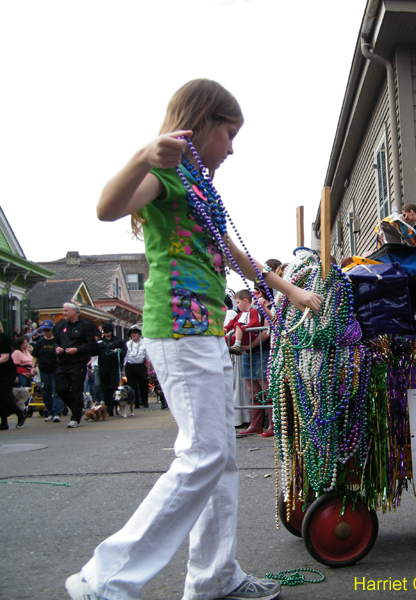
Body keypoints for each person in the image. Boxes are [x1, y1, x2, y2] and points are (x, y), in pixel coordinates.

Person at [66, 78, 322, 600]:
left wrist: (289, 288)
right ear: (201, 122)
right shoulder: (164, 173)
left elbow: (233, 253)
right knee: (204, 453)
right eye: (228, 133)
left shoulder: (201, 186)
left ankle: (215, 578)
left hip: (202, 329)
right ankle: (105, 580)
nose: (232, 148)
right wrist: (142, 155)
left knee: (219, 457)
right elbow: (105, 208)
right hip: (177, 329)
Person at [227, 289, 273, 437]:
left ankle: (272, 424)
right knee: (251, 388)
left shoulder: (260, 309)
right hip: (248, 353)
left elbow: (266, 332)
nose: (257, 294)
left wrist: (249, 345)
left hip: (260, 351)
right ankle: (256, 424)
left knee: (264, 387)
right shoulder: (243, 313)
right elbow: (233, 325)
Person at [53, 302, 100, 428]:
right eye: (63, 311)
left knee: (76, 390)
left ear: (75, 311)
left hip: (77, 362)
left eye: (66, 311)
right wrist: (57, 348)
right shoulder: (61, 325)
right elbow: (55, 341)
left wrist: (77, 349)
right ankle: (76, 408)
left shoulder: (85, 325)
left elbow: (92, 345)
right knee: (60, 389)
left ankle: (75, 417)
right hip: (63, 362)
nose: (64, 313)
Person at [31, 320, 64, 422]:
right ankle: (49, 411)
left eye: (48, 330)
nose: (46, 332)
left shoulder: (57, 341)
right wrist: (33, 367)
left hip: (56, 370)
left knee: (56, 391)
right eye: (44, 330)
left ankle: (56, 412)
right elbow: (35, 356)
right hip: (44, 370)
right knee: (46, 393)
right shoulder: (40, 342)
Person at [96, 322, 127, 416]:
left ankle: (116, 405)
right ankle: (109, 408)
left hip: (114, 368)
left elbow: (124, 353)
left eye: (108, 332)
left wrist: (119, 352)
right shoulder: (100, 342)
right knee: (105, 388)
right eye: (105, 332)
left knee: (114, 387)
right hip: (103, 367)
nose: (106, 333)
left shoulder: (118, 341)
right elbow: (94, 351)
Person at [0, 322, 26, 430]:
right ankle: (4, 422)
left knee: (3, 396)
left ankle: (20, 413)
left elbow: (5, 357)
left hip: (7, 372)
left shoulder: (2, 339)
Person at [124, 326, 149, 408]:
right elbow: (125, 357)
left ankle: (144, 401)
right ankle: (135, 402)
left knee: (143, 385)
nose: (133, 335)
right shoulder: (127, 344)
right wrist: (122, 368)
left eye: (135, 333)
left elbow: (148, 355)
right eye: (132, 333)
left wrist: (150, 366)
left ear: (139, 334)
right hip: (130, 366)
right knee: (132, 385)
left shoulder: (144, 343)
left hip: (141, 366)